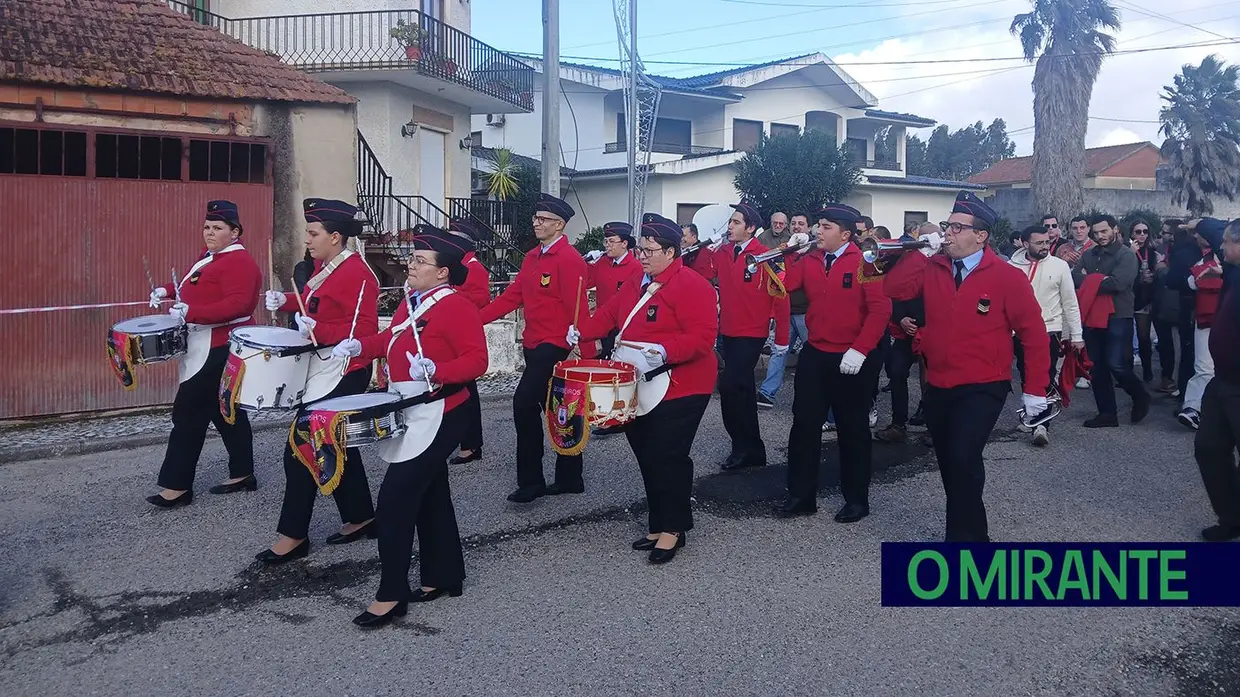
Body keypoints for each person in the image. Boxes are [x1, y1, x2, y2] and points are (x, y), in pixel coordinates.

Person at [332, 225, 488, 628]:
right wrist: (360, 348)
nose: (411, 265)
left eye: (420, 261)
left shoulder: (457, 306)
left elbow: (477, 362)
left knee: (395, 499)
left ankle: (391, 592)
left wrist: (440, 370)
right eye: (413, 259)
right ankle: (443, 575)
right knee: (431, 493)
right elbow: (391, 339)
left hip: (443, 412)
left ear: (443, 272)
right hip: (412, 408)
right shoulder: (412, 301)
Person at [884, 191, 1050, 542]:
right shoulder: (933, 267)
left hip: (984, 384)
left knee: (962, 455)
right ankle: (967, 530)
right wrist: (916, 251)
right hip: (940, 382)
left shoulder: (1006, 277)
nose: (948, 233)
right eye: (947, 226)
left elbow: (1033, 335)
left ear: (981, 236)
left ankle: (967, 540)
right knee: (950, 461)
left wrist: (1035, 390)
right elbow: (893, 288)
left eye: (957, 228)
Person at [567, 214, 718, 564]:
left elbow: (703, 338)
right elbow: (612, 313)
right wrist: (582, 331)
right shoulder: (638, 278)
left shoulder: (693, 285)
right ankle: (658, 520)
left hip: (683, 384)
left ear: (670, 251)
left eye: (649, 250)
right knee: (647, 452)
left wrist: (665, 351)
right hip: (641, 380)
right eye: (640, 249)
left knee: (670, 455)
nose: (642, 256)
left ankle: (674, 528)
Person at [256, 198, 380, 564]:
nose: (307, 239)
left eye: (313, 233)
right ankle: (361, 516)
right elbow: (314, 306)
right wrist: (288, 304)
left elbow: (363, 332)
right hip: (321, 365)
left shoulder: (359, 274)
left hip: (346, 370)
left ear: (336, 237)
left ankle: (293, 535)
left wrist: (319, 330)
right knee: (337, 444)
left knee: (301, 447)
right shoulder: (324, 267)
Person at [776, 204, 891, 522]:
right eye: (818, 226)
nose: (817, 231)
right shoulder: (811, 257)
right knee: (804, 425)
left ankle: (856, 499)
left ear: (845, 234)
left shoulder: (867, 261)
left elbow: (880, 311)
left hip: (853, 355)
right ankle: (801, 495)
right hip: (816, 351)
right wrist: (790, 254)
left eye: (825, 227)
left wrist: (861, 349)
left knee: (852, 429)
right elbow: (786, 284)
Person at [478, 193, 594, 503]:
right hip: (533, 343)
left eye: (542, 219)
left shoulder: (569, 259)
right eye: (536, 218)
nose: (536, 223)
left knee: (523, 404)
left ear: (559, 225)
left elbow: (579, 308)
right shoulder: (532, 257)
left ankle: (531, 482)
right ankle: (571, 477)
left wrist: (584, 350)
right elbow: (511, 298)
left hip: (555, 347)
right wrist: (474, 320)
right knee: (559, 410)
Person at [145, 200, 261, 508]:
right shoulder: (211, 257)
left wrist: (192, 311)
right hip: (202, 342)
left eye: (217, 228)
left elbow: (239, 306)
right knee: (225, 413)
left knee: (187, 415)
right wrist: (166, 291)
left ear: (235, 232)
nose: (209, 233)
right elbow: (192, 285)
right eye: (207, 227)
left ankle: (176, 486)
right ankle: (242, 472)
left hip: (220, 346)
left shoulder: (241, 262)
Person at [713, 202, 790, 471]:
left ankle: (742, 446)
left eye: (736, 222)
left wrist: (781, 339)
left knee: (730, 385)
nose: (730, 226)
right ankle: (751, 450)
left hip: (752, 332)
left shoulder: (767, 255)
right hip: (728, 330)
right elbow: (703, 274)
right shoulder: (723, 252)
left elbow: (781, 297)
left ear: (751, 228)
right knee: (743, 391)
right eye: (731, 221)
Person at [1008, 224, 1084, 447]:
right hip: (1018, 331)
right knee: (1025, 371)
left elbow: (1070, 303)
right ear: (1024, 243)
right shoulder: (1010, 267)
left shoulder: (1060, 266)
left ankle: (1042, 425)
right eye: (1039, 243)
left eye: (1047, 242)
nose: (1045, 246)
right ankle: (1033, 412)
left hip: (1050, 329)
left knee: (1046, 374)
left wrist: (1076, 335)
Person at [1074, 214, 1151, 428]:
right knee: (1097, 367)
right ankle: (1107, 413)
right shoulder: (1089, 254)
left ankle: (1140, 395)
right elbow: (1075, 276)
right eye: (1096, 232)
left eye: (1104, 231)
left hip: (1118, 315)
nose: (1100, 236)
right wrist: (1099, 280)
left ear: (1114, 229)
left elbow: (1118, 284)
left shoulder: (1126, 255)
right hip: (1092, 315)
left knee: (1116, 364)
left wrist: (1089, 279)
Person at [1193, 218, 1240, 542]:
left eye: (1227, 242)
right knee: (1209, 447)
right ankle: (1232, 518)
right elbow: (1212, 228)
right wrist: (1194, 224)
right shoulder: (1234, 269)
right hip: (1222, 381)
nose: (1221, 248)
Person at [444, 218, 492, 465]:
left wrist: (453, 295)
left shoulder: (474, 268)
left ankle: (471, 444)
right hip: (450, 333)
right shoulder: (455, 265)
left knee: (467, 392)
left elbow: (482, 298)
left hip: (463, 334)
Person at [758, 211, 812, 407]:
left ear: (808, 228)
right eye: (794, 224)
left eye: (801, 223)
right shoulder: (785, 250)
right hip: (786, 310)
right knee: (778, 352)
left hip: (806, 312)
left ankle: (816, 396)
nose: (797, 226)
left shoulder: (814, 250)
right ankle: (767, 393)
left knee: (815, 355)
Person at [1178, 218, 1226, 430]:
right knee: (1204, 366)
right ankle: (1193, 408)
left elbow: (1199, 280)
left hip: (1226, 318)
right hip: (1207, 319)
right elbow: (1193, 281)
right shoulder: (1204, 259)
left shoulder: (1225, 261)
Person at [585, 221, 643, 359]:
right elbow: (585, 281)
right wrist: (586, 263)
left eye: (611, 241)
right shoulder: (602, 262)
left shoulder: (636, 267)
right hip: (603, 321)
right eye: (606, 241)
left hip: (622, 325)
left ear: (624, 244)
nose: (607, 245)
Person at [1130, 221, 1160, 384]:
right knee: (1126, 337)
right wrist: (1130, 253)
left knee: (1143, 337)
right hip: (1128, 298)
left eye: (1145, 231)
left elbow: (1159, 272)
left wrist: (1153, 276)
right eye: (1138, 231)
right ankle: (1126, 373)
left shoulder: (1152, 252)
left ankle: (1147, 371)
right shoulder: (1127, 252)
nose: (1142, 235)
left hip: (1145, 299)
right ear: (1132, 234)